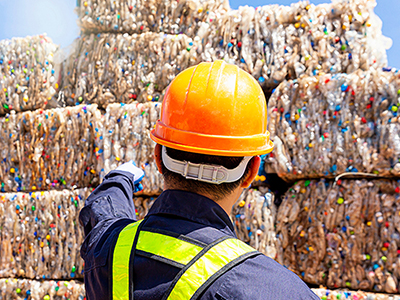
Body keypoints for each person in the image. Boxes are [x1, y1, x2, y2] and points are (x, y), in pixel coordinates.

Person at [79, 60, 319, 299]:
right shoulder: (273, 289)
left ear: (158, 158)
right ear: (251, 171)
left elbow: (103, 211)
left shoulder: (107, 250)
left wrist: (120, 178)